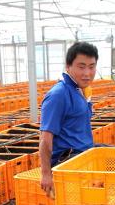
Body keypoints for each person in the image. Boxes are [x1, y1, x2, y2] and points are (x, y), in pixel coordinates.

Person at [39, 41, 98, 196]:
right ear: (68, 66)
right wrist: (46, 174)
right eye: (81, 66)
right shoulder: (58, 94)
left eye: (91, 67)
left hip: (83, 152)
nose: (87, 73)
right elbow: (45, 138)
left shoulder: (81, 90)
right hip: (68, 159)